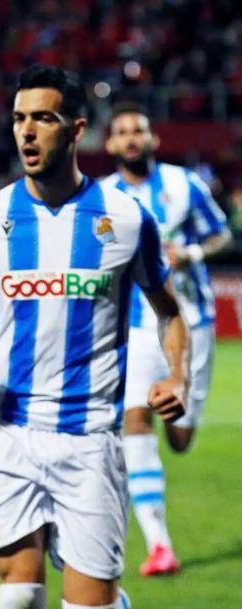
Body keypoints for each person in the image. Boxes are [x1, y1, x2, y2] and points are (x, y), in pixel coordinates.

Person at [0, 65, 189, 609]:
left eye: (43, 118)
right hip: (5, 433)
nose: (26, 131)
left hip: (89, 436)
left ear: (76, 130)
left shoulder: (127, 219)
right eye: (19, 118)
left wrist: (178, 377)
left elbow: (170, 314)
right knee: (19, 598)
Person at [101, 101, 233, 575]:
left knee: (179, 436)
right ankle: (160, 545)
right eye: (123, 132)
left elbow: (221, 235)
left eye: (139, 130)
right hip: (134, 326)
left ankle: (176, 419)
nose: (132, 138)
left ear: (153, 139)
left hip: (191, 322)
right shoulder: (102, 197)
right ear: (111, 144)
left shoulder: (185, 184)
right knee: (134, 417)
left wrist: (191, 252)